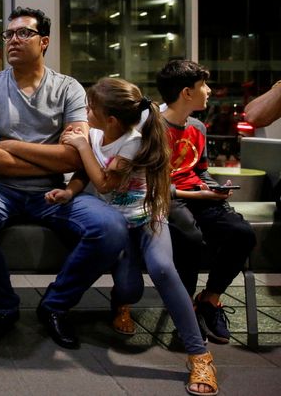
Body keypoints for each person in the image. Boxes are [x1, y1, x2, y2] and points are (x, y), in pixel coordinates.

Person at [0, 6, 127, 349]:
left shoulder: (69, 90)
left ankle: (56, 304)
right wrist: (51, 161)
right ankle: (4, 307)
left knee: (110, 227)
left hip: (53, 193)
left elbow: (75, 154)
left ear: (44, 41)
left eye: (23, 33)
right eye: (9, 34)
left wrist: (12, 145)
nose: (13, 40)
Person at [47, 78, 218, 396]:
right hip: (118, 224)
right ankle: (121, 302)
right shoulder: (99, 129)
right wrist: (69, 191)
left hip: (148, 217)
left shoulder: (133, 140)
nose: (85, 112)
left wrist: (82, 146)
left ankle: (200, 356)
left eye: (90, 108)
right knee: (130, 288)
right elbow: (85, 173)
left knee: (163, 269)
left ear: (110, 118)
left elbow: (106, 184)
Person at [157, 60, 256, 345]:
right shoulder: (154, 126)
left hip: (198, 194)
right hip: (171, 197)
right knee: (189, 236)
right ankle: (185, 312)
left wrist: (214, 188)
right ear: (187, 92)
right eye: (204, 86)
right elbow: (154, 185)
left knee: (242, 234)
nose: (209, 91)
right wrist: (197, 194)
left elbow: (199, 168)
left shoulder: (197, 126)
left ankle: (210, 300)